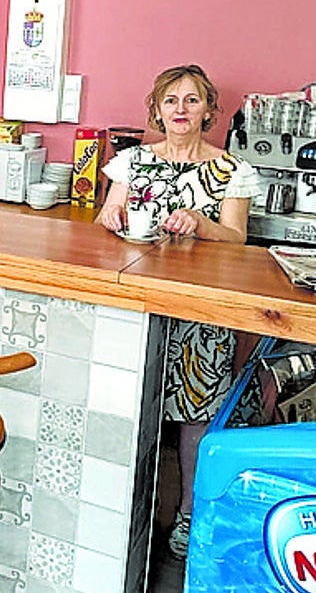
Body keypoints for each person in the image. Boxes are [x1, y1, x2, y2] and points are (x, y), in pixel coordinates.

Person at [97, 64, 260, 559]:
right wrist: (109, 215)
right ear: (157, 110)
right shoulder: (131, 162)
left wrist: (200, 223)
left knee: (195, 416)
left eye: (192, 101)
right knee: (129, 407)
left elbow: (237, 239)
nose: (181, 110)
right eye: (171, 101)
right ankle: (128, 512)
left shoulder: (232, 170)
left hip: (199, 308)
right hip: (136, 301)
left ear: (209, 110)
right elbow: (111, 218)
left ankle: (188, 512)